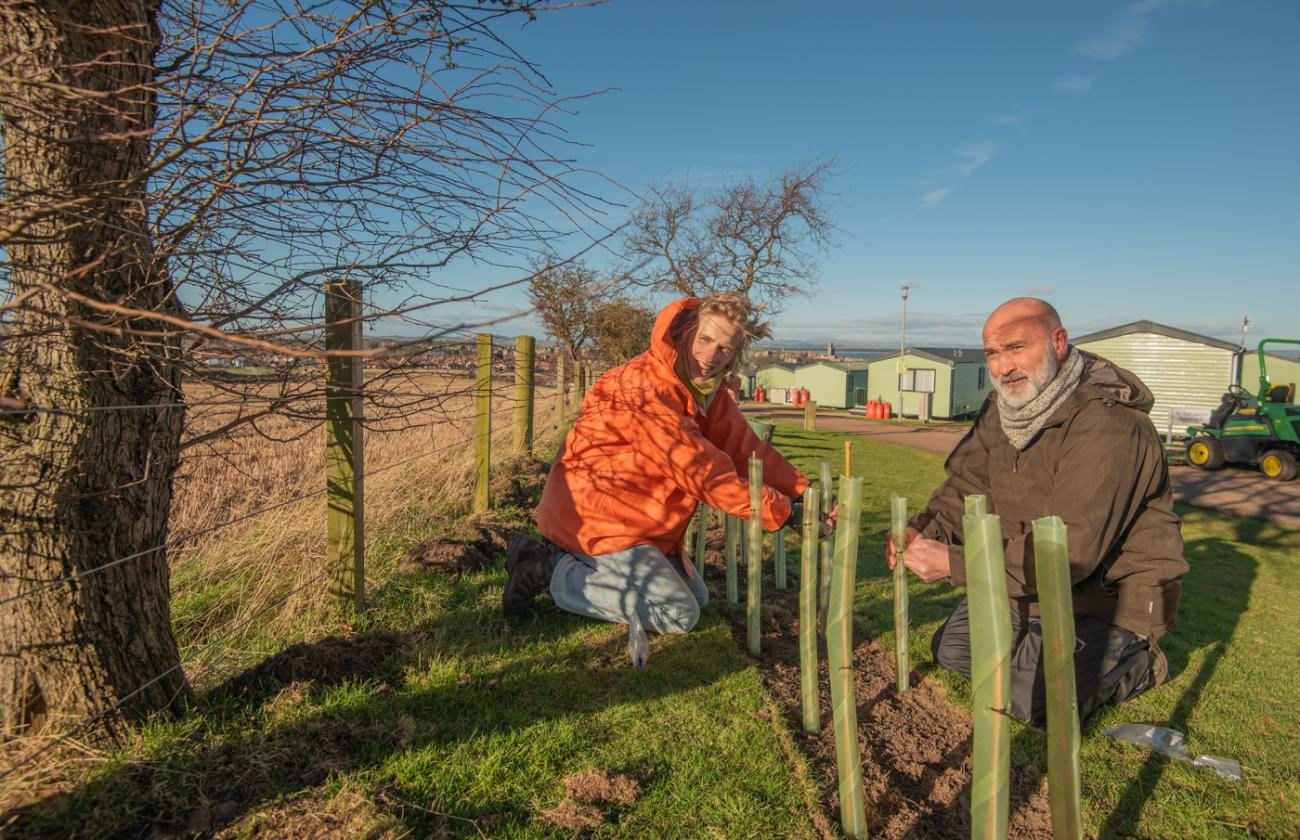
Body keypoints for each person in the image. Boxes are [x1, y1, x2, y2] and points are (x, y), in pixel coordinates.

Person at [887, 297, 1187, 726]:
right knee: (952, 651)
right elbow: (969, 483)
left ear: (1058, 342)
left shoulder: (1109, 426)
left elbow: (1072, 552)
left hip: (1105, 598)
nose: (1003, 366)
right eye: (992, 353)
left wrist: (955, 562)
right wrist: (920, 530)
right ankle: (1031, 649)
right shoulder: (1003, 409)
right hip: (1025, 587)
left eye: (1016, 348)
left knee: (1030, 700)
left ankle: (1137, 661)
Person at [504, 293, 827, 633]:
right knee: (679, 612)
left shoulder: (702, 389)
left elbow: (743, 447)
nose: (710, 356)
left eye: (725, 349)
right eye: (705, 339)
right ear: (688, 331)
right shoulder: (643, 388)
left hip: (637, 519)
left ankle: (574, 563)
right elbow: (701, 473)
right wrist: (782, 512)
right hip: (596, 517)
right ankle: (549, 568)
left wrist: (801, 495)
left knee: (696, 597)